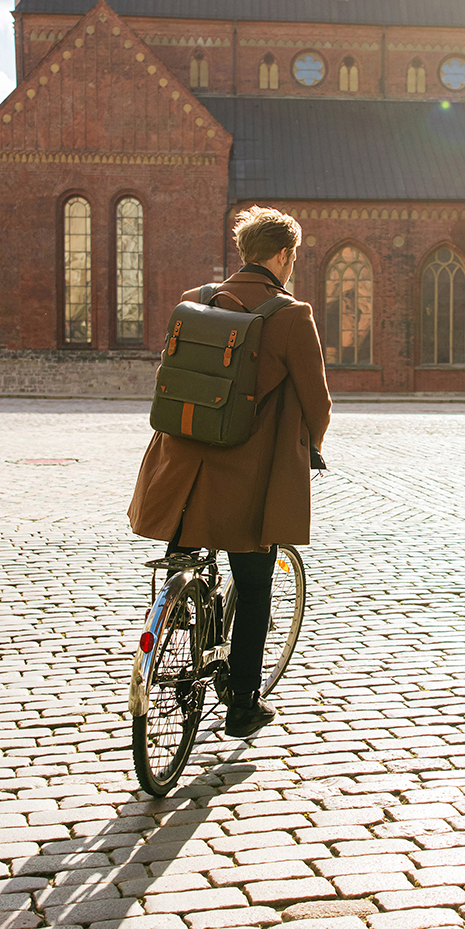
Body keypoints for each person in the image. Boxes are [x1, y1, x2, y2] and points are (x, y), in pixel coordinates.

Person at [129, 207, 331, 739]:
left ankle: (179, 610)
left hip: (180, 474)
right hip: (247, 477)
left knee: (188, 553)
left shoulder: (199, 300)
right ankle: (242, 702)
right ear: (285, 255)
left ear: (247, 252)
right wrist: (314, 445)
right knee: (255, 581)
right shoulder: (291, 314)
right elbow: (318, 402)